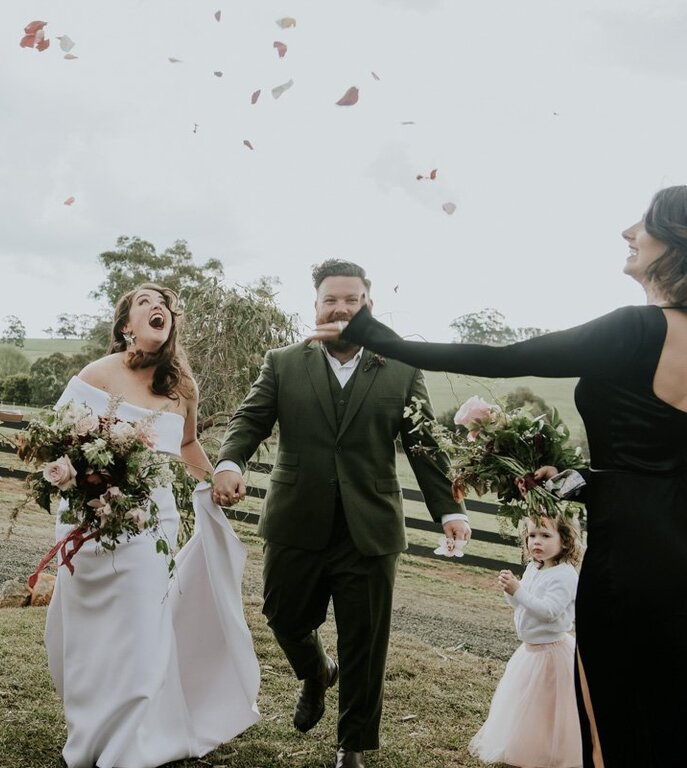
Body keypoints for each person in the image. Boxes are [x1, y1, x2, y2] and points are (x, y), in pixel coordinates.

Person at [310, 186, 687, 767]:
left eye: (646, 221)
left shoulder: (639, 330)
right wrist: (588, 477)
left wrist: (376, 335)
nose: (628, 231)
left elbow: (501, 358)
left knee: (614, 715)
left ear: (676, 241)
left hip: (633, 559)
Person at [213, 259, 470, 768]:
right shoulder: (283, 361)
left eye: (352, 300)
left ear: (368, 306)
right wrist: (228, 460)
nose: (342, 307)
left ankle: (351, 745)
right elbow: (251, 419)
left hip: (370, 528)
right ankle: (314, 672)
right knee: (283, 616)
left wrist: (449, 510)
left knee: (365, 643)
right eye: (332, 299)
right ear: (316, 307)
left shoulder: (400, 366)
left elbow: (423, 447)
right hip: (294, 518)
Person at [45, 283, 260, 768]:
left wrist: (216, 483)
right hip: (87, 522)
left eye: (163, 303)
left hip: (150, 523)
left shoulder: (182, 385)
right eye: (143, 302)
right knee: (90, 638)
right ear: (126, 325)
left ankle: (130, 746)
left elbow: (185, 446)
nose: (156, 306)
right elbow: (55, 441)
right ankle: (91, 734)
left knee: (142, 633)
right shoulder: (96, 375)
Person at [470, 513, 583, 768]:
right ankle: (529, 749)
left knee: (551, 709)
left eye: (545, 536)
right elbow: (521, 605)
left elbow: (548, 610)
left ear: (565, 541)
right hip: (529, 652)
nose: (536, 542)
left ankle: (556, 752)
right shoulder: (535, 567)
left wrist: (518, 591)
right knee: (526, 707)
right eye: (531, 535)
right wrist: (511, 590)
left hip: (553, 655)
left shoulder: (565, 575)